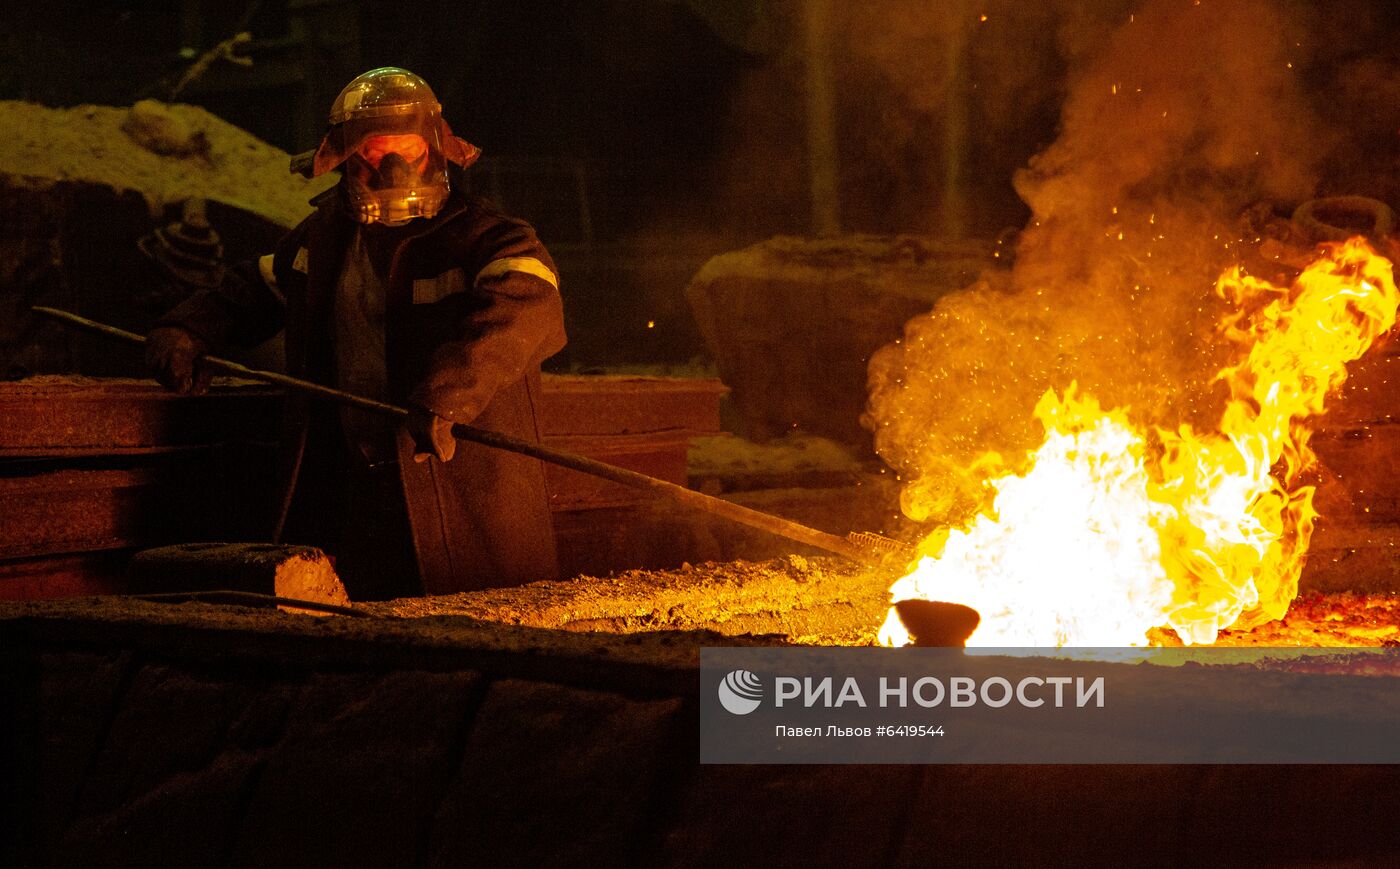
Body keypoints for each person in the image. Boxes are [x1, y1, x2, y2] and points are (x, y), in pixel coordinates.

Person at [146, 67, 566, 599]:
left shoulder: (487, 236)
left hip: (455, 493)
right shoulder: (321, 242)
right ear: (344, 155)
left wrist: (450, 395)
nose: (393, 168)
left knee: (467, 632)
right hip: (352, 491)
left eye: (407, 149)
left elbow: (527, 311)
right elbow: (252, 288)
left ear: (436, 148)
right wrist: (187, 327)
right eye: (374, 151)